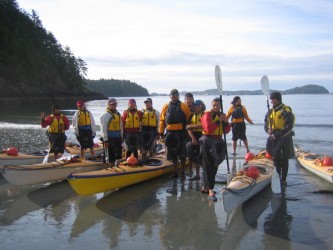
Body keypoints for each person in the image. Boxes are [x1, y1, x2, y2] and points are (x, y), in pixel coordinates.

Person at [200, 97, 231, 201]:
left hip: (218, 141)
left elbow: (226, 131)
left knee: (216, 163)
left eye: (218, 105)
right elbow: (208, 130)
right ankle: (211, 190)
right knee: (208, 164)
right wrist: (218, 121)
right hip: (208, 141)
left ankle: (205, 187)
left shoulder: (223, 115)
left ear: (220, 106)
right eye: (214, 105)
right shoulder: (207, 115)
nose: (216, 107)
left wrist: (225, 122)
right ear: (211, 105)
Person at [159, 89, 191, 180]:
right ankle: (175, 170)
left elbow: (188, 118)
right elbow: (162, 120)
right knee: (172, 153)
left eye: (176, 95)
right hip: (170, 133)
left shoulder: (183, 106)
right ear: (170, 96)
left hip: (181, 132)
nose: (174, 96)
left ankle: (183, 171)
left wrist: (188, 132)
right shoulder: (166, 106)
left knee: (182, 154)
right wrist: (161, 132)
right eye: (172, 95)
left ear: (178, 96)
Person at [264, 91, 295, 183]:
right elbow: (265, 122)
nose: (271, 101)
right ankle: (277, 174)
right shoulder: (270, 111)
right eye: (271, 99)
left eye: (273, 99)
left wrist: (276, 135)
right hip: (274, 136)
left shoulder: (286, 110)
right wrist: (267, 130)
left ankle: (283, 178)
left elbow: (288, 126)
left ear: (278, 99)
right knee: (275, 156)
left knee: (284, 158)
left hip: (285, 136)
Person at [100, 98, 123, 167]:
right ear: (108, 105)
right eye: (112, 104)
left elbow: (121, 126)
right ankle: (107, 168)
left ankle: (116, 167)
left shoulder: (118, 114)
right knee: (109, 155)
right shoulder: (106, 115)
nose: (113, 105)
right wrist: (105, 139)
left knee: (118, 154)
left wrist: (121, 135)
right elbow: (103, 128)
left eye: (115, 104)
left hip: (117, 137)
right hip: (109, 138)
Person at [186, 100, 205, 180]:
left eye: (198, 105)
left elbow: (204, 125)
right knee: (190, 149)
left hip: (203, 136)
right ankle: (197, 175)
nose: (197, 107)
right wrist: (193, 138)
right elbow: (187, 127)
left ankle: (205, 173)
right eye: (195, 105)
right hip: (194, 136)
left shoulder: (205, 115)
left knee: (202, 154)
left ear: (201, 106)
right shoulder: (191, 116)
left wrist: (192, 126)